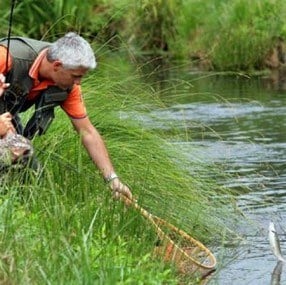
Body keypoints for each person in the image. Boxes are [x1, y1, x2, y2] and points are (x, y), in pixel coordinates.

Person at [0, 32, 132, 199]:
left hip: (6, 121)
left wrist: (112, 179)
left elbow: (88, 132)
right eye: (76, 76)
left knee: (27, 166)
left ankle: (21, 207)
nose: (78, 83)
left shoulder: (68, 87)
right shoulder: (6, 57)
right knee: (21, 151)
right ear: (57, 65)